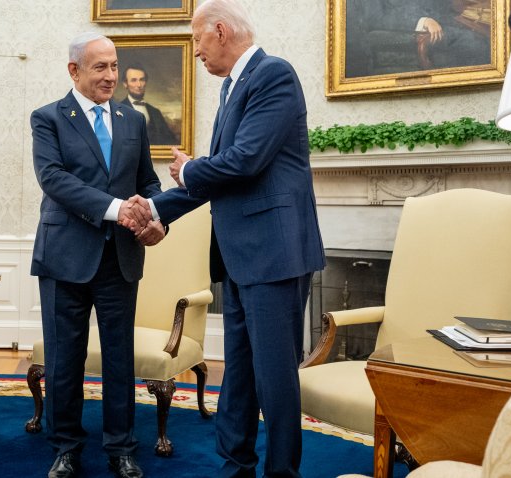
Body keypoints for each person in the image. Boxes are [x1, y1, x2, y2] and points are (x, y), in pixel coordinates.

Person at [122, 0, 326, 475]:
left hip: (275, 256)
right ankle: (234, 467)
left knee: (274, 381)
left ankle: (281, 472)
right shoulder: (231, 90)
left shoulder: (274, 75)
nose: (196, 51)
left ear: (219, 30)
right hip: (238, 257)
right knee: (237, 375)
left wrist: (190, 167)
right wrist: (152, 209)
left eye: (196, 39)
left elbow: (245, 160)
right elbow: (218, 180)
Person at [30, 31, 166, 478]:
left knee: (118, 359)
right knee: (64, 359)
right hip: (64, 256)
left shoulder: (133, 120)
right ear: (74, 70)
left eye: (114, 66)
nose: (111, 76)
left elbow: (147, 183)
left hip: (119, 260)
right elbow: (54, 179)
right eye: (100, 68)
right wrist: (117, 210)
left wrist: (155, 217)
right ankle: (65, 447)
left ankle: (121, 448)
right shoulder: (48, 118)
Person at [119, 64, 179, 145]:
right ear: (125, 84)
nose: (139, 85)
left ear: (146, 82)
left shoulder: (156, 113)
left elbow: (170, 141)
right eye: (134, 80)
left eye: (142, 80)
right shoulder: (117, 110)